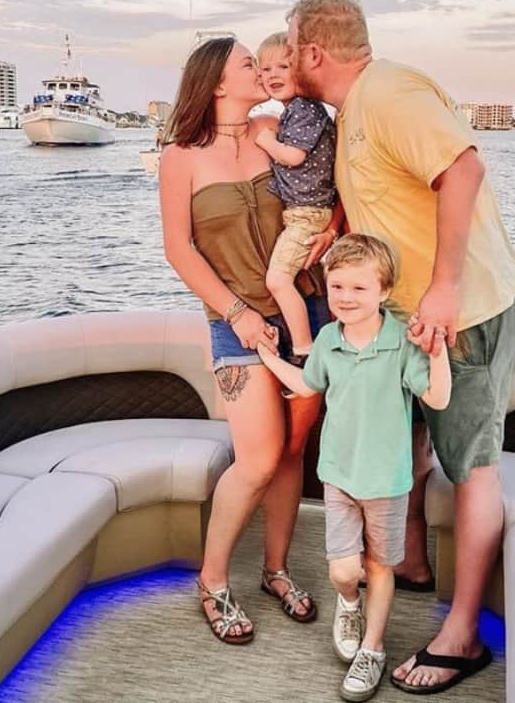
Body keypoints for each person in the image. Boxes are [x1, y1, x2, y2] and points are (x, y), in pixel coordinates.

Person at [286, 0, 515, 695]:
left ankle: (463, 635)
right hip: (404, 320)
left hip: (463, 313)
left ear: (311, 53)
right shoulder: (354, 107)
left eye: (288, 43)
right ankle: (414, 564)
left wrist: (444, 287)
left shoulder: (387, 90)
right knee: (412, 445)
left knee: (472, 467)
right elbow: (387, 194)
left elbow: (463, 169)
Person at [159, 36, 340, 645]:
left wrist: (332, 231)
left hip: (306, 314)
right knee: (258, 458)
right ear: (215, 82)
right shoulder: (180, 154)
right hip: (236, 322)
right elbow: (178, 250)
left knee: (292, 454)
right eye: (246, 64)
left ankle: (275, 570)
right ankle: (212, 582)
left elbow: (325, 193)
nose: (261, 72)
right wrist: (235, 311)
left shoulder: (278, 129)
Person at [257, 233, 451, 702]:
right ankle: (349, 604)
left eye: (359, 289)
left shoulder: (401, 342)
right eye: (337, 286)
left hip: (386, 481)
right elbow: (306, 386)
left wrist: (439, 350)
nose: (345, 297)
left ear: (383, 291)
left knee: (380, 567)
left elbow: (438, 398)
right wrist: (265, 355)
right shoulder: (327, 339)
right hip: (339, 476)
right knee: (345, 571)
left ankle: (373, 648)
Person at [254, 32, 338, 369]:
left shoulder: (304, 108)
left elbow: (293, 156)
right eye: (265, 69)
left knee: (277, 279)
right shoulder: (296, 110)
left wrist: (266, 141)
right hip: (304, 213)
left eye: (283, 66)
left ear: (301, 70)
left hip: (308, 215)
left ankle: (303, 350)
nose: (273, 75)